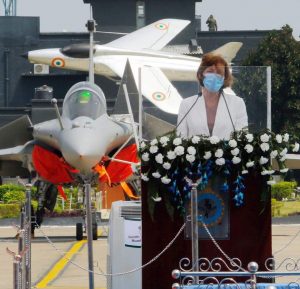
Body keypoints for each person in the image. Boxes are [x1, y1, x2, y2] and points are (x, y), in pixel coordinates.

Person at [177, 53, 248, 140]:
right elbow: (180, 139)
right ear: (200, 75)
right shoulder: (186, 104)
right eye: (210, 71)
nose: (214, 75)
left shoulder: (237, 103)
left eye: (219, 72)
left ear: (224, 79)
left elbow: (242, 138)